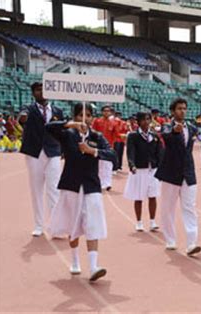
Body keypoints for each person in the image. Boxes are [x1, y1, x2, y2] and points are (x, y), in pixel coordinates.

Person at [46, 103, 116, 281]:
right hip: (71, 184)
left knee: (93, 223)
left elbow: (112, 155)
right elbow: (48, 127)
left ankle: (93, 267)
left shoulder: (97, 136)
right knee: (73, 224)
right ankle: (75, 260)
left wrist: (93, 151)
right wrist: (71, 125)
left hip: (92, 186)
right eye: (80, 115)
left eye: (89, 115)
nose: (85, 119)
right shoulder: (68, 135)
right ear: (75, 116)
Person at [155, 98, 201, 256]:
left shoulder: (191, 127)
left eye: (184, 108)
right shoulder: (167, 126)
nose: (182, 111)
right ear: (173, 111)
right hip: (171, 173)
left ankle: (192, 243)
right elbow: (166, 135)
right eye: (179, 108)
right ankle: (170, 239)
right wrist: (175, 130)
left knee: (190, 208)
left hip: (188, 172)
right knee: (168, 208)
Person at [20, 82, 64, 236]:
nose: (42, 92)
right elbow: (22, 118)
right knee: (36, 189)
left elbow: (62, 132)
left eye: (44, 89)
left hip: (53, 152)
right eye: (38, 90)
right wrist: (23, 118)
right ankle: (39, 225)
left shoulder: (58, 110)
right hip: (35, 153)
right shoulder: (28, 109)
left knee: (54, 189)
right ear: (33, 93)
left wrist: (64, 149)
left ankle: (55, 226)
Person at [124, 111, 163, 232]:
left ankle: (152, 221)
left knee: (153, 196)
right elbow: (130, 152)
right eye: (143, 120)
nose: (146, 122)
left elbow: (160, 153)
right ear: (138, 122)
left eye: (148, 119)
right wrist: (132, 165)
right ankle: (139, 222)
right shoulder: (133, 136)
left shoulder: (155, 136)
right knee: (139, 196)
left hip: (153, 169)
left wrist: (161, 167)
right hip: (139, 169)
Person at [92, 105, 116, 191]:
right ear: (102, 112)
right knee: (99, 166)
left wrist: (113, 145)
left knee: (108, 166)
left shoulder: (113, 123)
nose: (106, 112)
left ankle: (108, 183)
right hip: (98, 146)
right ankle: (99, 182)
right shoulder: (97, 121)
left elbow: (115, 134)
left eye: (108, 111)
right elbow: (93, 132)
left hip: (109, 146)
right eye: (105, 111)